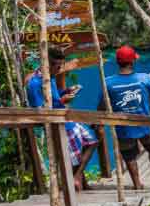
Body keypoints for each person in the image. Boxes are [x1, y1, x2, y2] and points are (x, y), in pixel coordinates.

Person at [26, 47, 98, 192]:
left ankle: (77, 177)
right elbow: (39, 109)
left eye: (61, 66)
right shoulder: (34, 83)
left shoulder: (50, 78)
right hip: (57, 124)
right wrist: (63, 100)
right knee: (72, 157)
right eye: (57, 66)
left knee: (91, 142)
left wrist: (66, 91)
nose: (59, 70)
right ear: (48, 64)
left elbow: (53, 96)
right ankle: (74, 184)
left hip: (66, 121)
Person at [99, 46, 150, 190]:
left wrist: (98, 123)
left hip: (123, 127)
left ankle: (137, 184)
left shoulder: (108, 82)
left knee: (129, 155)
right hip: (144, 124)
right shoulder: (143, 78)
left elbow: (102, 104)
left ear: (118, 62)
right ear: (132, 62)